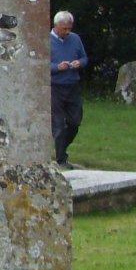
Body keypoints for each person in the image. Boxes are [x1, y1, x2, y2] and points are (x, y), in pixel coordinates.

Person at [49, 11, 88, 167]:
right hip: (55, 87)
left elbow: (84, 58)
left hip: (72, 86)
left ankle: (61, 150)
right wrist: (57, 67)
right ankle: (61, 159)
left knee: (74, 123)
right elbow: (39, 64)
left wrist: (80, 62)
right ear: (56, 26)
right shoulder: (46, 40)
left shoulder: (75, 39)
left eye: (69, 28)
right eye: (64, 28)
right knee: (58, 125)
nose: (67, 32)